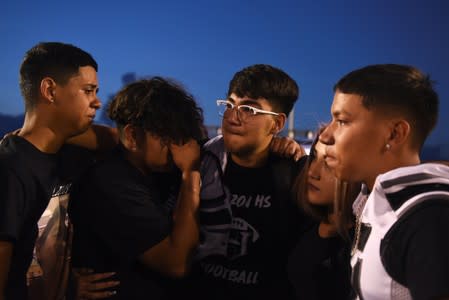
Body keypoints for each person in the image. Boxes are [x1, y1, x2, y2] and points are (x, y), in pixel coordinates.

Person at [68, 77, 205, 299]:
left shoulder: (154, 166)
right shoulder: (111, 185)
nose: (177, 145)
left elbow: (112, 136)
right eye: (167, 135)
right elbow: (176, 263)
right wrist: (191, 174)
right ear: (132, 136)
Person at [319, 64, 449, 299]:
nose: (325, 135)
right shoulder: (378, 202)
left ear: (394, 134)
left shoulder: (429, 219)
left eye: (342, 121)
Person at [185, 64, 313, 300]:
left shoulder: (296, 176)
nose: (233, 116)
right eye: (230, 105)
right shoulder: (200, 162)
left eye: (249, 109)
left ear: (277, 124)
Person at [0, 42, 107, 300]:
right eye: (88, 90)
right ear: (50, 90)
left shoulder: (66, 156)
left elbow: (117, 139)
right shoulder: (10, 170)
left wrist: (65, 285)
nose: (98, 102)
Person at [288, 126, 360, 300]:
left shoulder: (359, 245)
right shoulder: (306, 221)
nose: (312, 172)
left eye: (328, 163)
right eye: (313, 157)